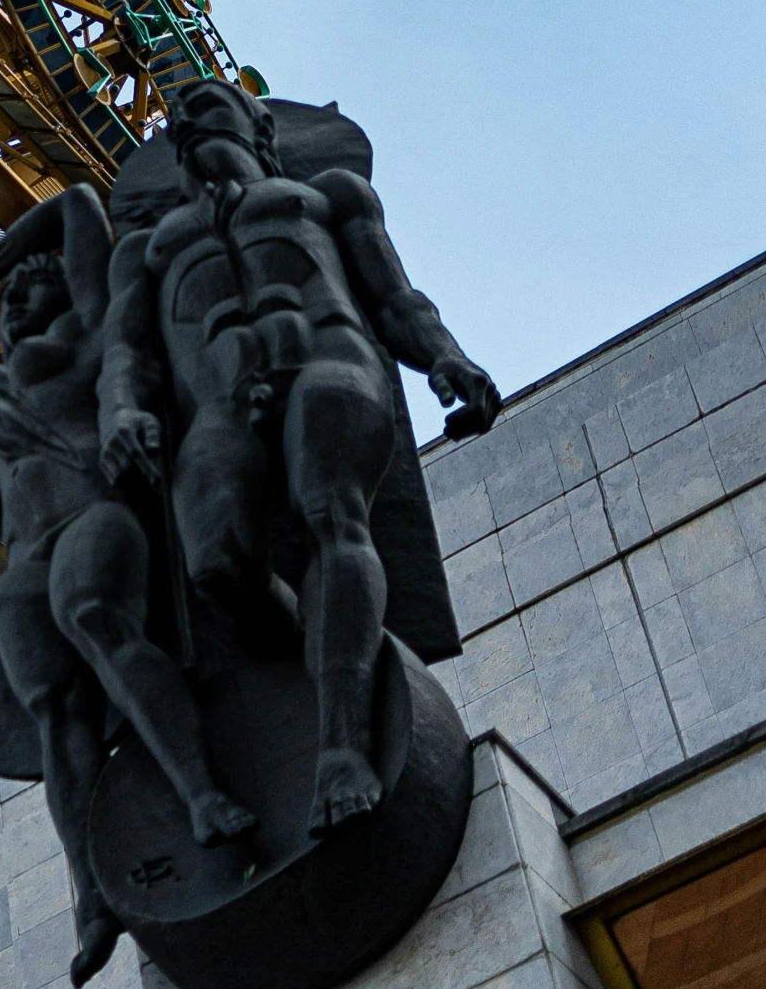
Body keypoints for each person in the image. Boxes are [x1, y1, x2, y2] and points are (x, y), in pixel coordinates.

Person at [97, 79, 500, 835]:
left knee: (333, 512)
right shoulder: (148, 251)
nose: (187, 118)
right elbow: (127, 353)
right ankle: (307, 646)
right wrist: (121, 410)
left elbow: (395, 297)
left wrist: (446, 356)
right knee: (214, 562)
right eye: (177, 117)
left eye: (209, 105)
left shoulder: (325, 195)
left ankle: (341, 744)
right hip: (216, 402)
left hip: (328, 360)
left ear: (260, 126)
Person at [0, 183, 252, 987]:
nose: (16, 308)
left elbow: (76, 206)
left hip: (95, 518)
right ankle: (91, 893)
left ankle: (202, 792)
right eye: (8, 304)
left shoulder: (93, 336)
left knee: (96, 615)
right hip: (19, 566)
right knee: (57, 714)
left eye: (31, 291)